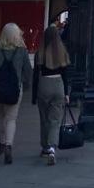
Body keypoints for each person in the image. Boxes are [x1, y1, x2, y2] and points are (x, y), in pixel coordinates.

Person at [0, 22, 33, 164]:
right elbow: (28, 71)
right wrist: (28, 86)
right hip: (16, 89)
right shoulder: (22, 51)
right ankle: (9, 145)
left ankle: (1, 143)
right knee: (11, 119)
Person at [32, 25, 71, 165]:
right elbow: (66, 75)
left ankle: (45, 147)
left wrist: (33, 95)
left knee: (44, 119)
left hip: (43, 84)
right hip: (58, 84)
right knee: (55, 120)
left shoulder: (39, 53)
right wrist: (66, 93)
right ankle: (53, 148)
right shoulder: (62, 52)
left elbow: (35, 76)